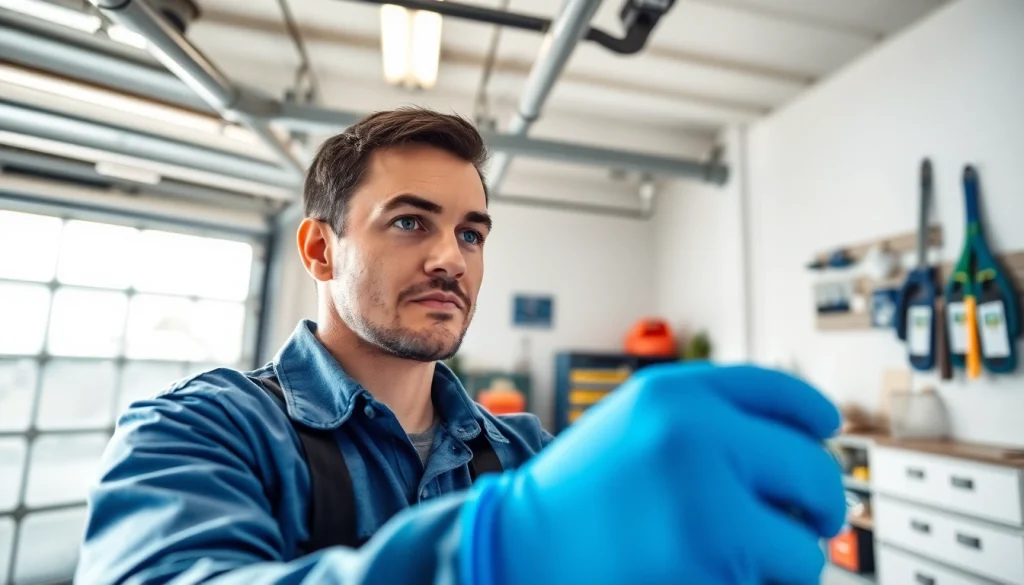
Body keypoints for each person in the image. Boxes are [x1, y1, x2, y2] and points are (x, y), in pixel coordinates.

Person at [76, 108, 845, 585]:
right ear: (319, 250)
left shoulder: (528, 453)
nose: (451, 255)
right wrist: (489, 557)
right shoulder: (197, 430)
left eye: (471, 232)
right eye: (411, 221)